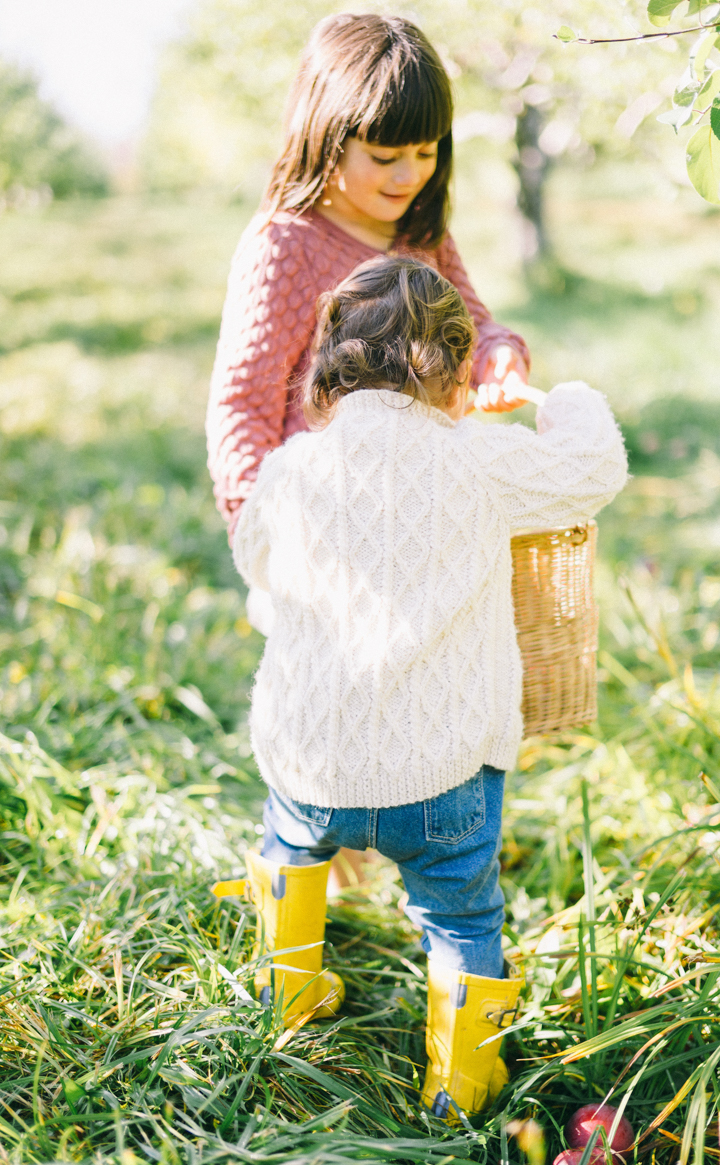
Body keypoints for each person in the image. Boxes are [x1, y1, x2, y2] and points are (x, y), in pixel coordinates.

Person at [220, 256, 628, 1122]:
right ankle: (460, 1094)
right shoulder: (479, 458)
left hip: (309, 767)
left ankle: (288, 1002)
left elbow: (254, 556)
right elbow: (594, 469)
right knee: (461, 917)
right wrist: (559, 399)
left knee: (291, 858)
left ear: (330, 367)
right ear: (452, 367)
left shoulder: (293, 469)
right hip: (442, 775)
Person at [206, 11, 533, 891]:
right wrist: (256, 530)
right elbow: (239, 402)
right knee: (324, 696)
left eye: (424, 153)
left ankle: (394, 833)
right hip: (319, 533)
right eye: (383, 155)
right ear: (324, 133)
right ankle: (312, 851)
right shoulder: (284, 249)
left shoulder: (419, 238)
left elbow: (478, 316)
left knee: (414, 683)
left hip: (416, 523)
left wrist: (497, 351)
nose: (405, 175)